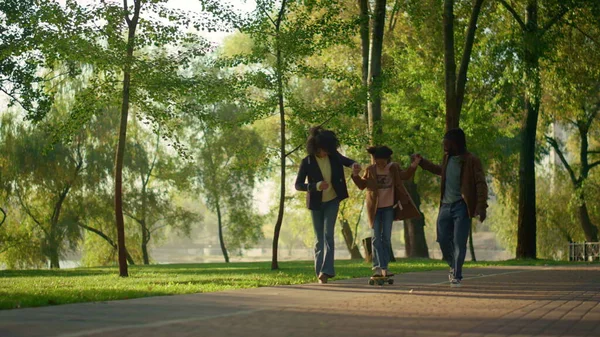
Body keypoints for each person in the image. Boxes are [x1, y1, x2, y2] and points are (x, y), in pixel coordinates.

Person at [414, 128, 488, 287]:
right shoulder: (447, 158)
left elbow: (480, 183)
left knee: (459, 242)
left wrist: (481, 207)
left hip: (462, 206)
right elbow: (441, 171)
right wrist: (422, 162)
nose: (444, 147)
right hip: (445, 206)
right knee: (442, 239)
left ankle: (456, 274)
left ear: (457, 144)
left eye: (447, 144)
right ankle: (453, 265)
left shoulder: (471, 160)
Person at [295, 126, 360, 284]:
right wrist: (315, 186)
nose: (326, 153)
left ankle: (327, 271)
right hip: (316, 204)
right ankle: (320, 273)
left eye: (329, 150)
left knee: (328, 235)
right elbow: (298, 185)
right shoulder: (307, 162)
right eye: (324, 150)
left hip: (332, 200)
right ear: (316, 147)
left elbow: (347, 161)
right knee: (319, 239)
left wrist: (354, 165)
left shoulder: (333, 155)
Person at [351, 146, 422, 278]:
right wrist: (355, 175)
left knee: (386, 239)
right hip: (375, 209)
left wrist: (414, 164)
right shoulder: (370, 170)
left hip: (389, 208)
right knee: (376, 238)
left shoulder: (393, 168)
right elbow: (362, 185)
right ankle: (377, 267)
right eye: (377, 161)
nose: (380, 164)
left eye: (383, 161)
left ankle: (385, 268)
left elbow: (405, 176)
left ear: (387, 159)